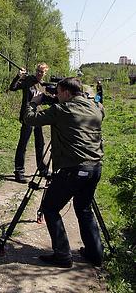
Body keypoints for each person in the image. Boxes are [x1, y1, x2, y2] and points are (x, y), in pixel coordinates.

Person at [24, 77, 104, 268]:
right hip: (95, 167)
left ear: (67, 93)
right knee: (84, 209)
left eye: (59, 93)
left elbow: (30, 119)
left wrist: (34, 102)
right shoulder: (96, 108)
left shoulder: (62, 110)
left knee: (50, 208)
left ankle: (62, 255)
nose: (56, 96)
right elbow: (97, 104)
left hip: (73, 169)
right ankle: (96, 254)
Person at [9, 62, 50, 183]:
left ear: (45, 73)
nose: (39, 73)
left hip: (39, 117)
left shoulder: (43, 85)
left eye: (42, 72)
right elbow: (13, 87)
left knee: (40, 143)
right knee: (23, 144)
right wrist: (18, 76)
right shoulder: (28, 81)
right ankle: (19, 171)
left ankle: (42, 169)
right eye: (38, 71)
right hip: (28, 117)